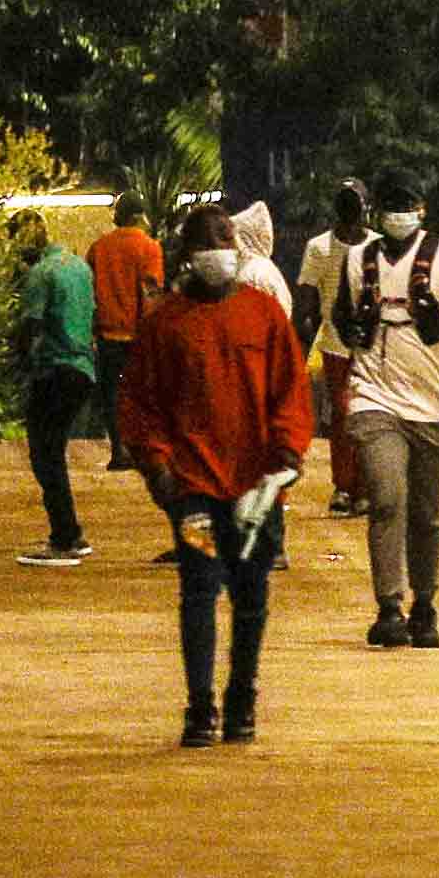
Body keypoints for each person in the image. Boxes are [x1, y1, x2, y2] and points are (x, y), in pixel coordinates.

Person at [113, 198, 310, 747]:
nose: (220, 251)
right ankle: (200, 708)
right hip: (193, 489)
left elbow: (289, 391)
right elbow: (140, 402)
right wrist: (158, 468)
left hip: (254, 490)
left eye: (226, 239)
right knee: (199, 591)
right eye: (208, 242)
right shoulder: (165, 324)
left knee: (251, 596)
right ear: (187, 254)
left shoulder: (263, 314)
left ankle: (242, 701)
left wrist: (287, 459)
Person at [324, 172, 439, 652]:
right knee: (387, 495)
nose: (398, 213)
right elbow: (339, 311)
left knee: (426, 511)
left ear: (421, 209)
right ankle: (389, 606)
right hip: (375, 393)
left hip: (434, 399)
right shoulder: (358, 261)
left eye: (406, 203)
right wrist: (353, 331)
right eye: (390, 204)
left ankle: (426, 602)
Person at [5, 216, 95, 565]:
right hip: (84, 369)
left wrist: (15, 360)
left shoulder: (40, 274)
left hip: (56, 368)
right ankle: (68, 531)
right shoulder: (79, 268)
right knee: (53, 451)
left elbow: (32, 325)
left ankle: (65, 536)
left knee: (45, 455)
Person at [296, 179, 374, 514]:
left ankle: (365, 485)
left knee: (368, 416)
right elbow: (307, 296)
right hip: (336, 343)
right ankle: (345, 486)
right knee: (343, 416)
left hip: (371, 344)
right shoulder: (319, 247)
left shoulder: (377, 246)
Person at [82, 199, 168, 451]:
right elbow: (150, 291)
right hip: (138, 336)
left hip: (108, 336)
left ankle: (118, 448)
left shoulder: (98, 248)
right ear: (140, 217)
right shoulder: (150, 247)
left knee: (111, 394)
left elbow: (91, 294)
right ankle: (139, 448)